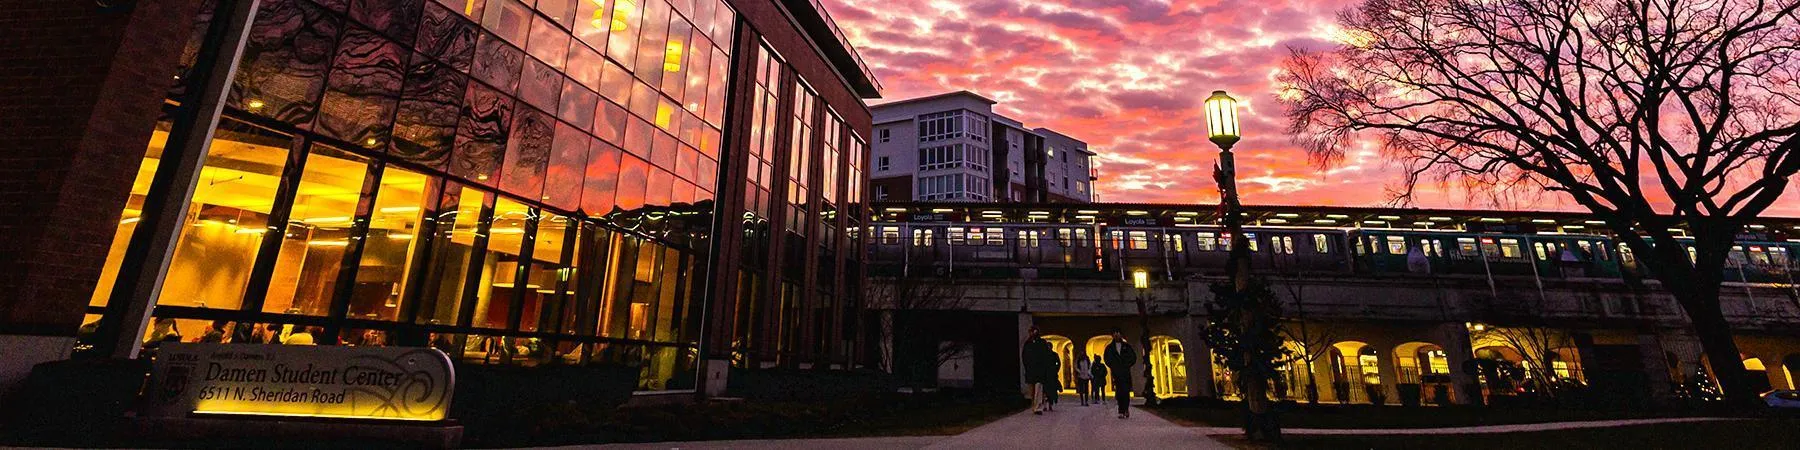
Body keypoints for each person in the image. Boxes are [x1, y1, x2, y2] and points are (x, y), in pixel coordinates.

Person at [1103, 327, 1139, 419]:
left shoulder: (1127, 346)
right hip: (1116, 373)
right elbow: (1107, 359)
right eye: (1115, 333)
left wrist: (1126, 365)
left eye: (1118, 333)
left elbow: (1133, 357)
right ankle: (1121, 410)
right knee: (1119, 392)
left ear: (1121, 334)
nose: (1116, 335)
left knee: (1126, 391)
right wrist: (1114, 366)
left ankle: (1126, 408)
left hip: (1125, 372)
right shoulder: (1110, 348)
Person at [1020, 326, 1056, 415]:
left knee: (1038, 388)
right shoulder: (1027, 343)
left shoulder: (1042, 343)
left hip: (1040, 371)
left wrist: (1045, 368)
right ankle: (1034, 405)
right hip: (1030, 370)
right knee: (1032, 390)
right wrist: (1027, 366)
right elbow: (1024, 356)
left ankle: (1038, 407)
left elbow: (1046, 356)